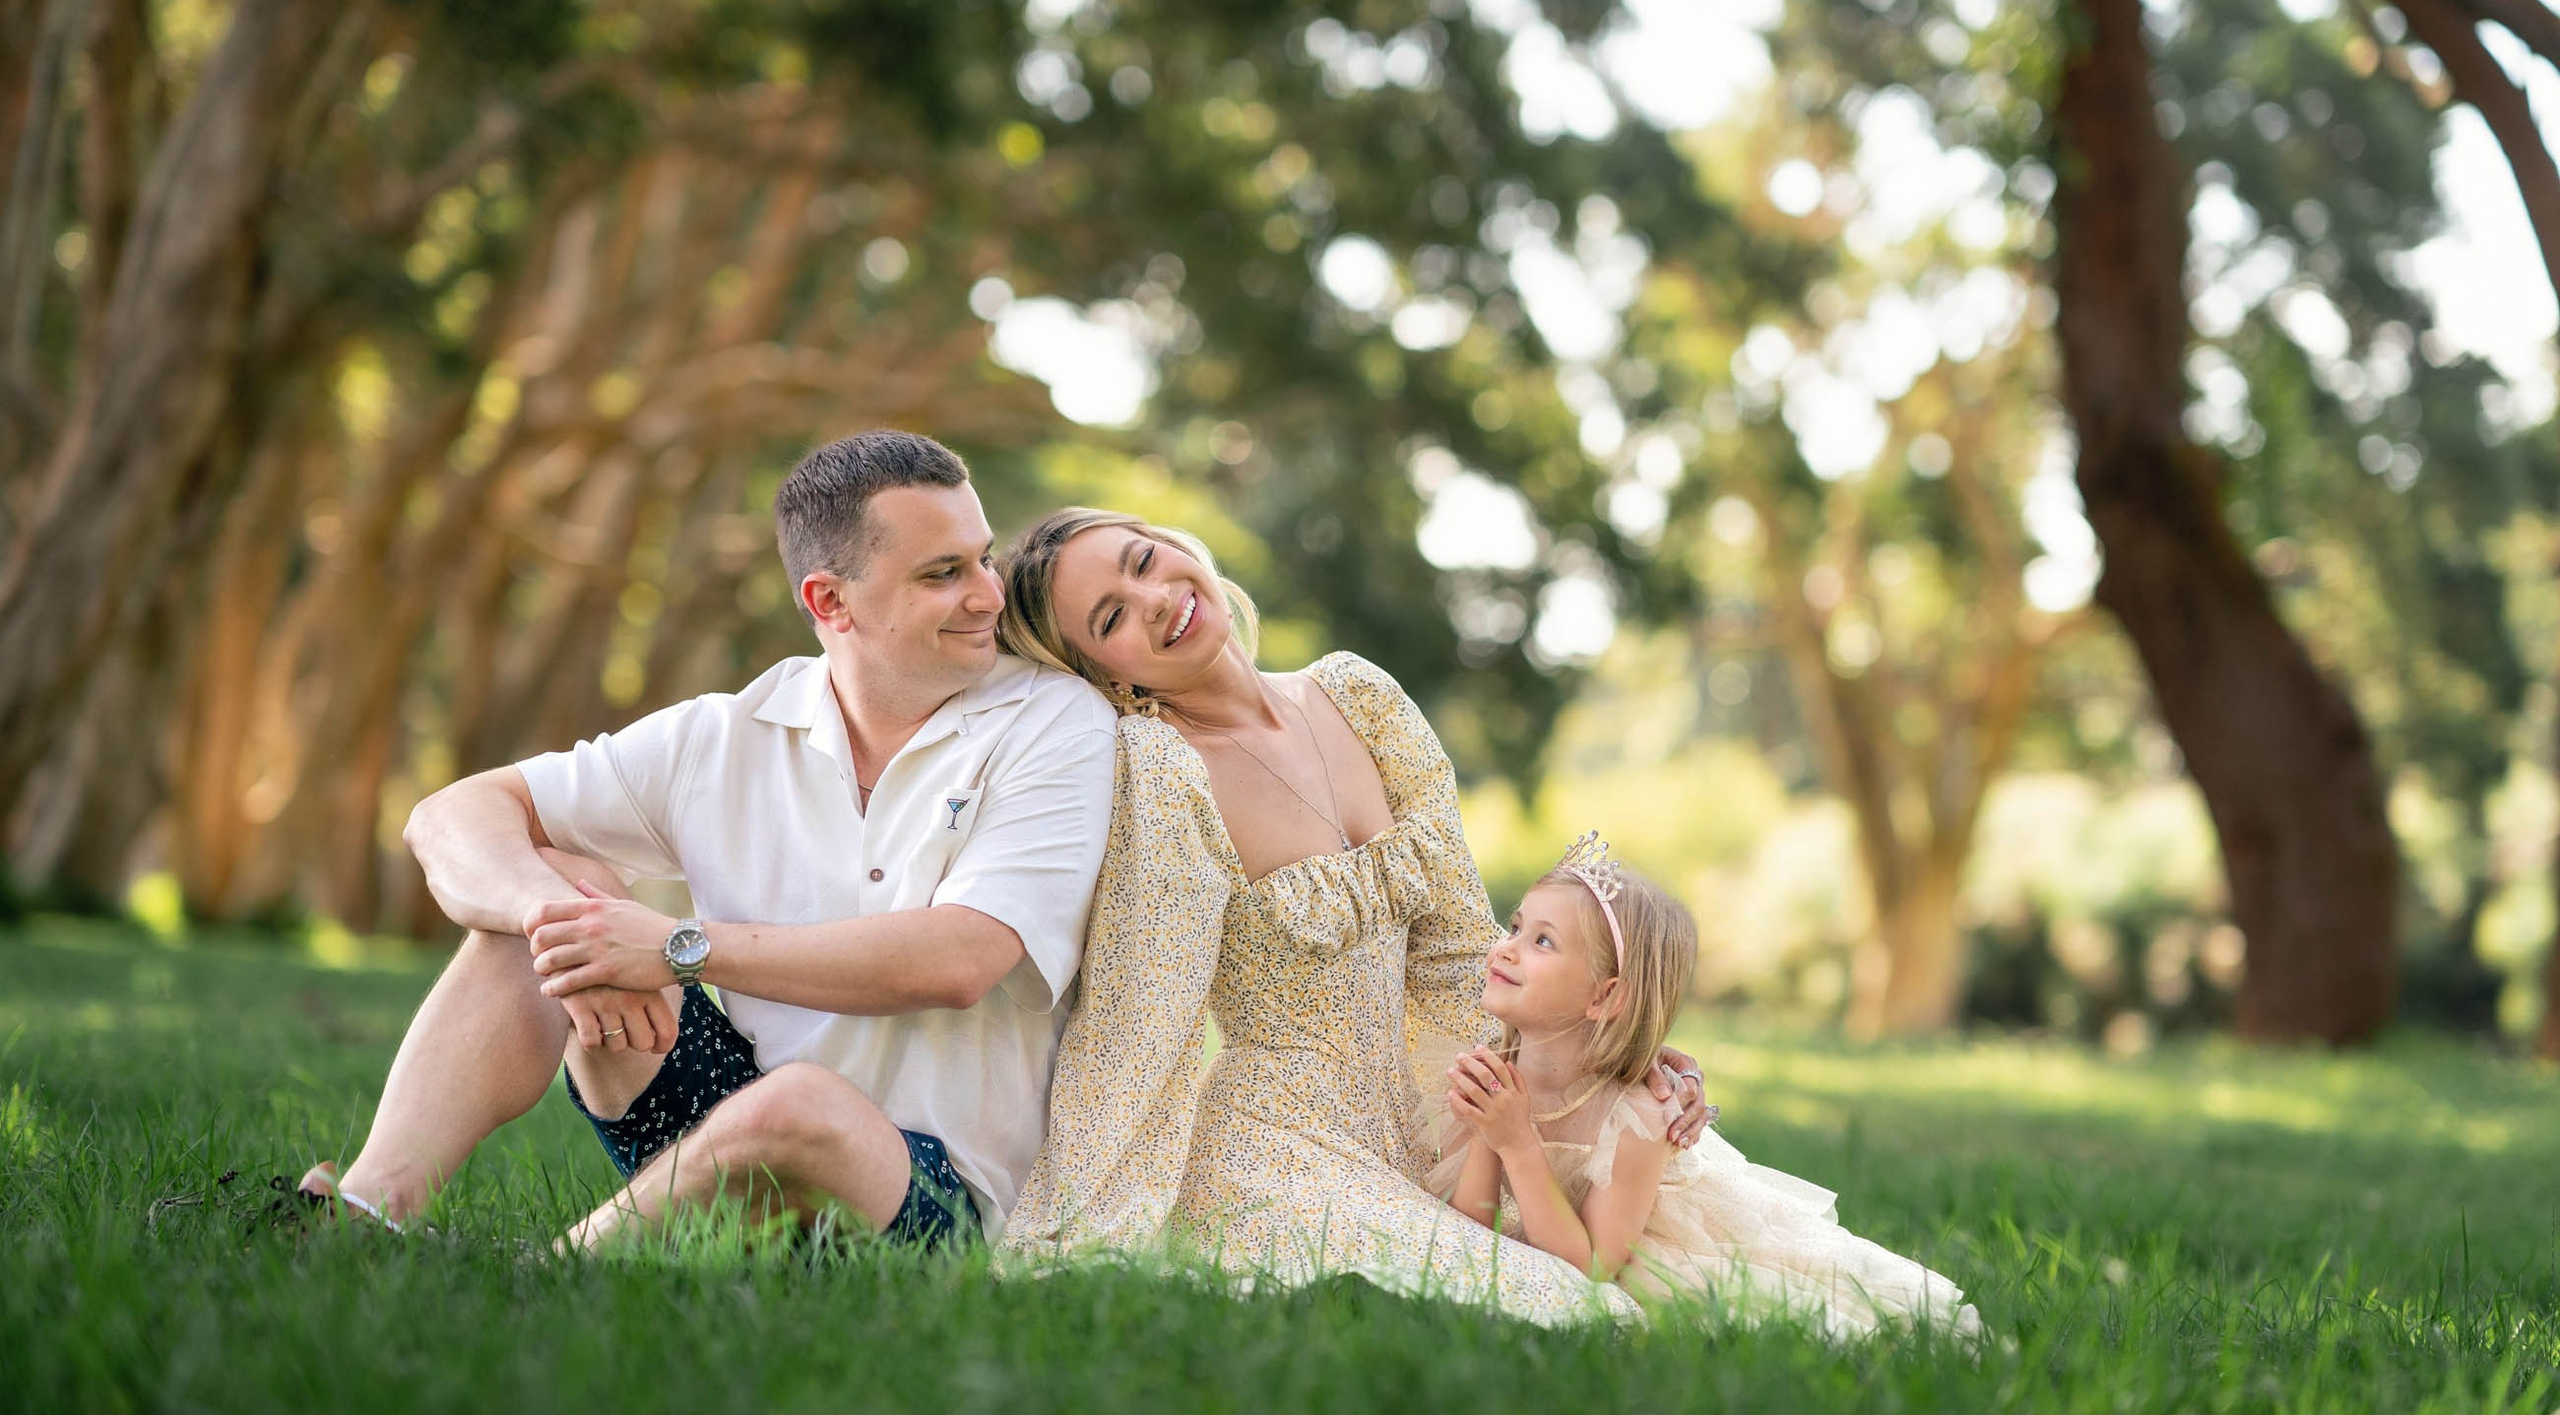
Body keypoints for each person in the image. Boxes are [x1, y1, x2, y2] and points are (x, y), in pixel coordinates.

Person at [294, 431, 1116, 1251]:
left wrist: (675, 949)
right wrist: (566, 926)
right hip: (719, 1132)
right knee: (555, 900)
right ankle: (361, 1217)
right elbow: (448, 816)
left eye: (982, 558)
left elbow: (960, 961)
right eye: (944, 574)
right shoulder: (728, 734)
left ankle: (550, 1272)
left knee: (799, 1106)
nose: (989, 596)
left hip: (939, 1198)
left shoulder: (1052, 721)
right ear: (830, 602)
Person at [990, 509, 1710, 1327]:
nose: (1154, 598)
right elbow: (1140, 1015)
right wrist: (1073, 1231)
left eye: (1146, 560)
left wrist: (1603, 1053)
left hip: (1432, 1128)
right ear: (1103, 673)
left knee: (1701, 1248)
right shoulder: (1162, 772)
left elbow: (1460, 954)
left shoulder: (1356, 693)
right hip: (1277, 1149)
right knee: (1585, 1313)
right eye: (1112, 616)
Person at [1436, 834, 1981, 1337]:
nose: (1506, 948)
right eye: (1515, 927)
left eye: (1543, 941)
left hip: (1650, 1250)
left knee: (1807, 1316)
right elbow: (1467, 1235)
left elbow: (1592, 1269)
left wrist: (1517, 1143)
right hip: (1567, 1233)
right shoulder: (1493, 1070)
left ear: (1603, 998)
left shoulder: (1640, 1116)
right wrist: (1490, 1131)